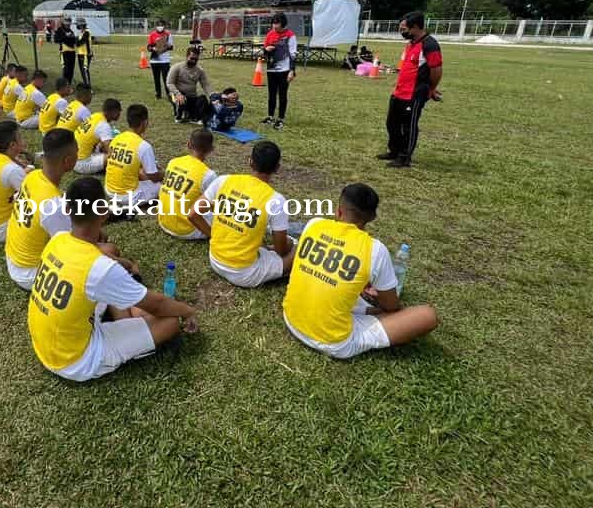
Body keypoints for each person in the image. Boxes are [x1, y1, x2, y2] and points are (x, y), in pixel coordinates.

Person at [26, 177, 198, 382]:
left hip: (47, 345)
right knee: (170, 321)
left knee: (108, 273)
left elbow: (101, 256)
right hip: (77, 361)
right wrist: (188, 311)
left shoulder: (58, 239)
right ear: (103, 213)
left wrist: (122, 262)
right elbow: (159, 305)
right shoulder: (99, 269)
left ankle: (128, 320)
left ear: (68, 210)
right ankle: (129, 327)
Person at [283, 183, 438, 359]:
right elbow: (391, 306)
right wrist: (378, 294)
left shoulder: (314, 224)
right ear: (372, 217)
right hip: (333, 342)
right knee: (427, 315)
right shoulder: (375, 250)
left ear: (338, 211)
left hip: (291, 319)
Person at [189, 140, 294, 288]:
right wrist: (289, 245)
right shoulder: (276, 200)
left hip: (215, 259)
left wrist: (214, 235)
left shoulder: (223, 181)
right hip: (244, 273)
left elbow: (193, 214)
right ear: (277, 168)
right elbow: (281, 250)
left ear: (250, 161)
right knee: (298, 250)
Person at [5, 129, 76, 289]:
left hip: (14, 258)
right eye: (77, 152)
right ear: (68, 161)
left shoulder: (33, 176)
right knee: (102, 253)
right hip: (30, 272)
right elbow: (71, 249)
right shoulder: (53, 204)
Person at [377, 11, 442, 168]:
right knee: (391, 123)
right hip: (399, 92)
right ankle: (394, 150)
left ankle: (404, 157)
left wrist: (432, 88)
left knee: (409, 126)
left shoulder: (430, 44)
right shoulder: (411, 43)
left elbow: (436, 69)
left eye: (404, 29)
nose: (402, 32)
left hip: (414, 94)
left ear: (415, 27)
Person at [158, 129, 217, 240]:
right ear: (211, 149)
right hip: (188, 230)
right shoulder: (208, 175)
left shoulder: (173, 162)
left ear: (188, 144)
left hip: (164, 222)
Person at [105, 104, 162, 209]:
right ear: (145, 122)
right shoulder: (144, 146)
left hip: (109, 190)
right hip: (127, 196)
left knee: (140, 172)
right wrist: (162, 174)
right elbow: (154, 177)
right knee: (161, 186)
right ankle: (126, 208)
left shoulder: (117, 138)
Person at [261, 12, 297, 131]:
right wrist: (266, 49)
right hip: (271, 69)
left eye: (277, 23)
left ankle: (280, 119)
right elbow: (264, 52)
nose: (275, 26)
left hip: (284, 70)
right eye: (273, 23)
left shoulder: (290, 35)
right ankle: (270, 116)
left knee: (282, 94)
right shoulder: (270, 34)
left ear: (283, 24)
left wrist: (292, 71)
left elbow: (293, 54)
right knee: (271, 94)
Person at [74, 98, 121, 174]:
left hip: (74, 157)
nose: (119, 114)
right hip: (81, 163)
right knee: (115, 157)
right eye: (119, 112)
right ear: (114, 112)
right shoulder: (104, 125)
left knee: (104, 144)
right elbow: (111, 152)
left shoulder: (96, 116)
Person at [166, 46, 212, 125]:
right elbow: (169, 83)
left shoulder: (200, 70)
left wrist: (212, 96)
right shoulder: (176, 67)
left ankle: (195, 116)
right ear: (187, 56)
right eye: (192, 58)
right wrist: (178, 94)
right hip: (177, 95)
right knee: (182, 100)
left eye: (196, 59)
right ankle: (179, 116)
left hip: (192, 96)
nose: (194, 61)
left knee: (203, 99)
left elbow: (206, 85)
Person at [146, 19, 173, 99]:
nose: (160, 27)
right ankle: (158, 94)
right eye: (158, 25)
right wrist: (153, 49)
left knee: (166, 79)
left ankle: (169, 95)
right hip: (154, 60)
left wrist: (164, 46)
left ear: (164, 26)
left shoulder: (168, 34)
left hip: (165, 60)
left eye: (161, 25)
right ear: (156, 26)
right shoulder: (152, 35)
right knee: (156, 78)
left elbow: (171, 47)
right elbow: (148, 47)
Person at [75, 19, 93, 86]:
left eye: (78, 24)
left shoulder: (86, 32)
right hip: (80, 54)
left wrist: (77, 40)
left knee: (85, 70)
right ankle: (85, 84)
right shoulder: (81, 33)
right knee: (82, 71)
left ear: (82, 25)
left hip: (86, 54)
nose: (77, 26)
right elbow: (77, 43)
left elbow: (79, 43)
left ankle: (88, 86)